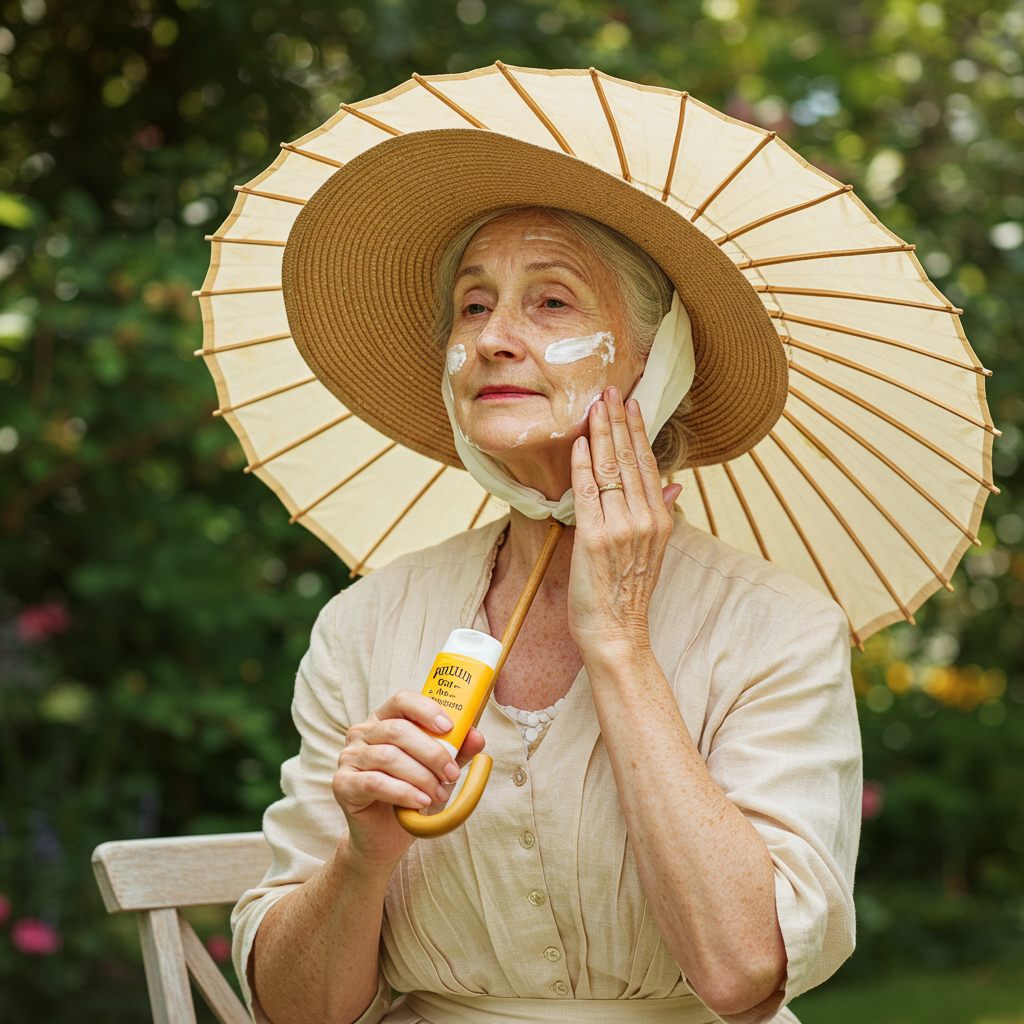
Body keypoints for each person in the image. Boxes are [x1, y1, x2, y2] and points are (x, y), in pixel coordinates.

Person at [231, 200, 862, 1023]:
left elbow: (742, 972)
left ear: (657, 356)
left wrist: (620, 646)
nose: (493, 337)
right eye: (474, 304)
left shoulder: (780, 628)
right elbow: (293, 1010)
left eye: (552, 300)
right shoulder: (364, 625)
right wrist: (362, 858)